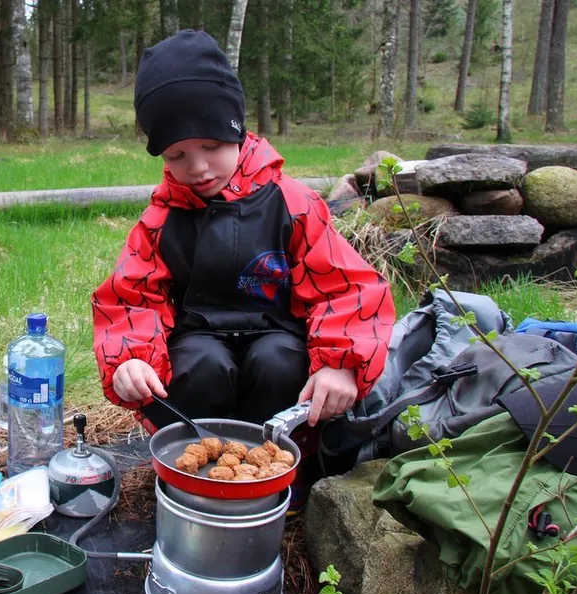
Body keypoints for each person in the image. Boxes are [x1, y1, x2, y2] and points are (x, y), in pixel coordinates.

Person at [91, 30, 396, 476]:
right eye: (177, 154)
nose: (196, 167)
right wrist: (131, 358)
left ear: (237, 130)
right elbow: (132, 297)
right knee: (199, 365)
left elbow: (345, 289)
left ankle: (285, 474)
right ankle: (195, 474)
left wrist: (342, 365)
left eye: (211, 146)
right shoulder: (161, 220)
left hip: (279, 336)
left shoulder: (293, 204)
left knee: (277, 363)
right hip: (200, 339)